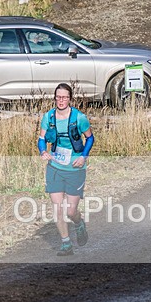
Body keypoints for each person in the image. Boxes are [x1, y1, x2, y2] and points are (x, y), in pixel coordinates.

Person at [38, 83, 95, 256]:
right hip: (54, 167)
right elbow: (41, 139)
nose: (61, 100)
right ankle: (66, 243)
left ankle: (78, 223)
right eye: (58, 97)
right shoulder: (48, 117)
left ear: (70, 98)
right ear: (55, 98)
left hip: (75, 168)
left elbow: (90, 138)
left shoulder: (79, 118)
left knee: (70, 211)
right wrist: (43, 151)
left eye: (64, 97)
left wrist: (83, 155)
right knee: (57, 208)